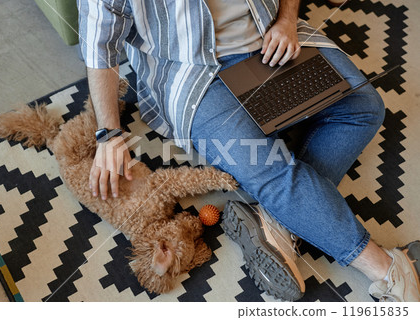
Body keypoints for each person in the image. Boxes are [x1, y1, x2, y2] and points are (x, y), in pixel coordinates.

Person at [78, 0, 420, 301]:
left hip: (268, 39)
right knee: (266, 164)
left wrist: (286, 19)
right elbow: (99, 45)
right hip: (194, 77)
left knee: (364, 107)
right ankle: (388, 270)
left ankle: (275, 221)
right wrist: (109, 134)